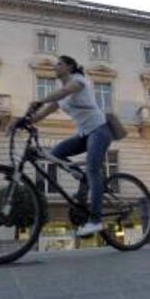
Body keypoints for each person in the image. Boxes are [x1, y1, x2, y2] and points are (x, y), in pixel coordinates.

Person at [26, 55, 113, 236]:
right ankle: (84, 179)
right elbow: (42, 114)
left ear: (69, 67)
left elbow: (65, 92)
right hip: (84, 134)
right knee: (55, 153)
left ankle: (96, 220)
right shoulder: (61, 94)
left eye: (59, 64)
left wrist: (40, 100)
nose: (55, 67)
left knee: (93, 169)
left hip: (100, 130)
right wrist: (24, 122)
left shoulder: (78, 80)